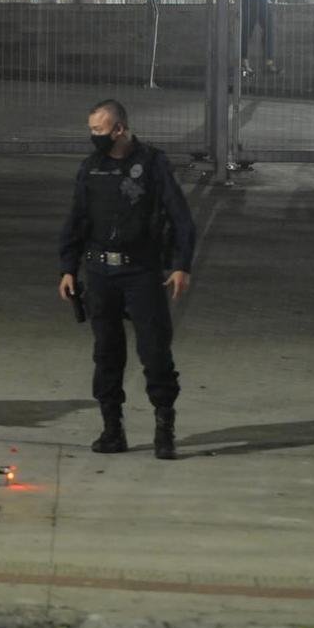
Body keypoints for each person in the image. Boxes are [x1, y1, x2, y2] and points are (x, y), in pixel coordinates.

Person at [58, 101, 196, 460]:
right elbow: (77, 220)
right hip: (101, 273)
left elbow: (180, 217)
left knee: (154, 351)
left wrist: (181, 265)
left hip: (142, 273)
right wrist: (68, 267)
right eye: (91, 130)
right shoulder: (91, 169)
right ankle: (112, 429)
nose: (93, 137)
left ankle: (164, 429)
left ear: (119, 129)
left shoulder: (152, 165)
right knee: (106, 354)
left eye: (99, 131)